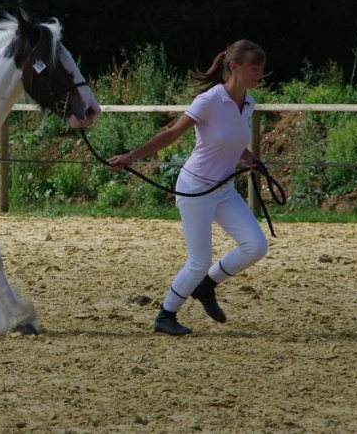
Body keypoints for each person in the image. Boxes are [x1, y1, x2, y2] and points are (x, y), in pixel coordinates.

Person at [108, 40, 268, 335]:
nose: (260, 75)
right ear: (234, 67)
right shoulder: (208, 101)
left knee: (255, 246)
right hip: (195, 187)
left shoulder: (248, 103)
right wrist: (131, 157)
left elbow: (233, 140)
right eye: (254, 69)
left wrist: (249, 157)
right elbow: (171, 133)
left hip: (223, 189)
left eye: (261, 69)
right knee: (199, 260)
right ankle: (165, 316)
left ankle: (206, 286)